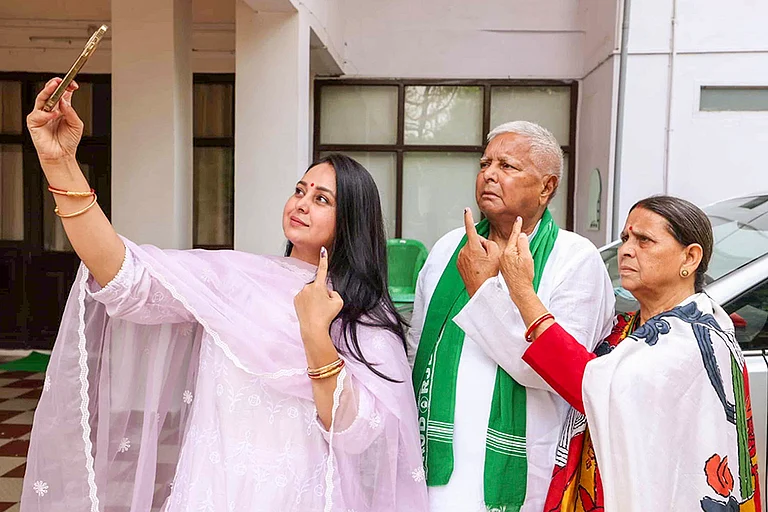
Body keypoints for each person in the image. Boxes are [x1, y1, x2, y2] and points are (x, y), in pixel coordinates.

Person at [21, 78, 428, 512]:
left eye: (322, 198)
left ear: (351, 220)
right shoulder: (236, 280)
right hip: (211, 489)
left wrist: (316, 333)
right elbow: (126, 276)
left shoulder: (362, 314)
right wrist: (59, 162)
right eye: (299, 190)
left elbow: (356, 433)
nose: (302, 203)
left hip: (298, 497)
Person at [498, 195, 762, 511]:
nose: (626, 249)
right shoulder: (625, 327)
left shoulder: (696, 337)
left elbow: (590, 387)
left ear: (690, 258)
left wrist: (523, 293)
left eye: (644, 240)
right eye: (625, 238)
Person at [407, 120, 615, 511]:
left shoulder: (575, 259)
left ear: (547, 187)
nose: (488, 174)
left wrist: (484, 291)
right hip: (435, 458)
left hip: (524, 463)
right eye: (485, 163)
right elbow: (417, 351)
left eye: (507, 166)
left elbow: (551, 370)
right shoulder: (449, 248)